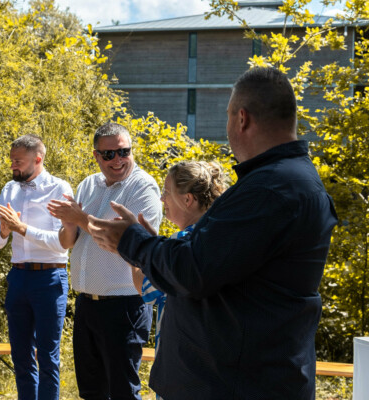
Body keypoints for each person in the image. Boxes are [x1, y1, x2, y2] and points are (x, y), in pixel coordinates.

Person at [88, 67, 338, 399]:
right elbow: (215, 262)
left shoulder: (272, 189)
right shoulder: (284, 180)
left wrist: (132, 241)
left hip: (237, 384)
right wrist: (153, 243)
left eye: (227, 116)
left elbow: (193, 271)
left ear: (242, 119)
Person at [47, 122, 163, 400]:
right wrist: (68, 223)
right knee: (91, 392)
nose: (118, 160)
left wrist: (80, 218)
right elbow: (69, 241)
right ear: (96, 156)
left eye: (124, 151)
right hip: (87, 304)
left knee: (123, 391)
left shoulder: (143, 187)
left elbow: (126, 240)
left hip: (124, 306)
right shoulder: (88, 183)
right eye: (109, 154)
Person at [0, 134, 72, 400]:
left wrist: (22, 228)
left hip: (50, 278)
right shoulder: (9, 190)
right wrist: (2, 230)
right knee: (20, 355)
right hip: (18, 278)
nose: (13, 166)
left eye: (18, 161)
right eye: (11, 160)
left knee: (47, 357)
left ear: (38, 159)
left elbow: (62, 244)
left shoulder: (60, 189)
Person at [130, 161, 227, 400]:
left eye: (166, 192)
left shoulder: (182, 241)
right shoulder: (220, 235)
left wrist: (134, 246)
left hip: (181, 368)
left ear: (188, 200)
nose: (162, 199)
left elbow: (143, 285)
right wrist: (155, 247)